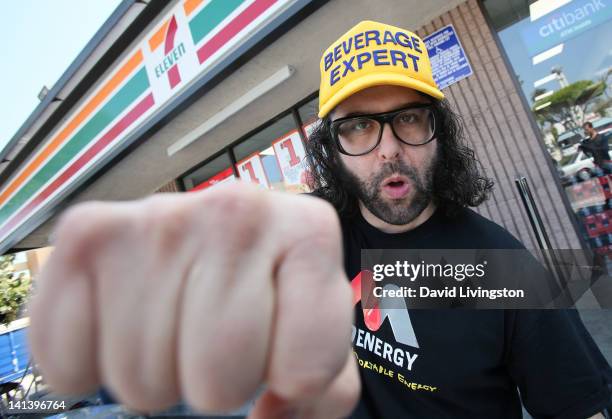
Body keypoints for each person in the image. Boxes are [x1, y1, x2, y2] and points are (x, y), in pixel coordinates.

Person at [28, 21, 611, 419]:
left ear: (439, 133)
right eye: (358, 127)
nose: (388, 150)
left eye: (408, 119)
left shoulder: (498, 268)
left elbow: (576, 405)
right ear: (330, 149)